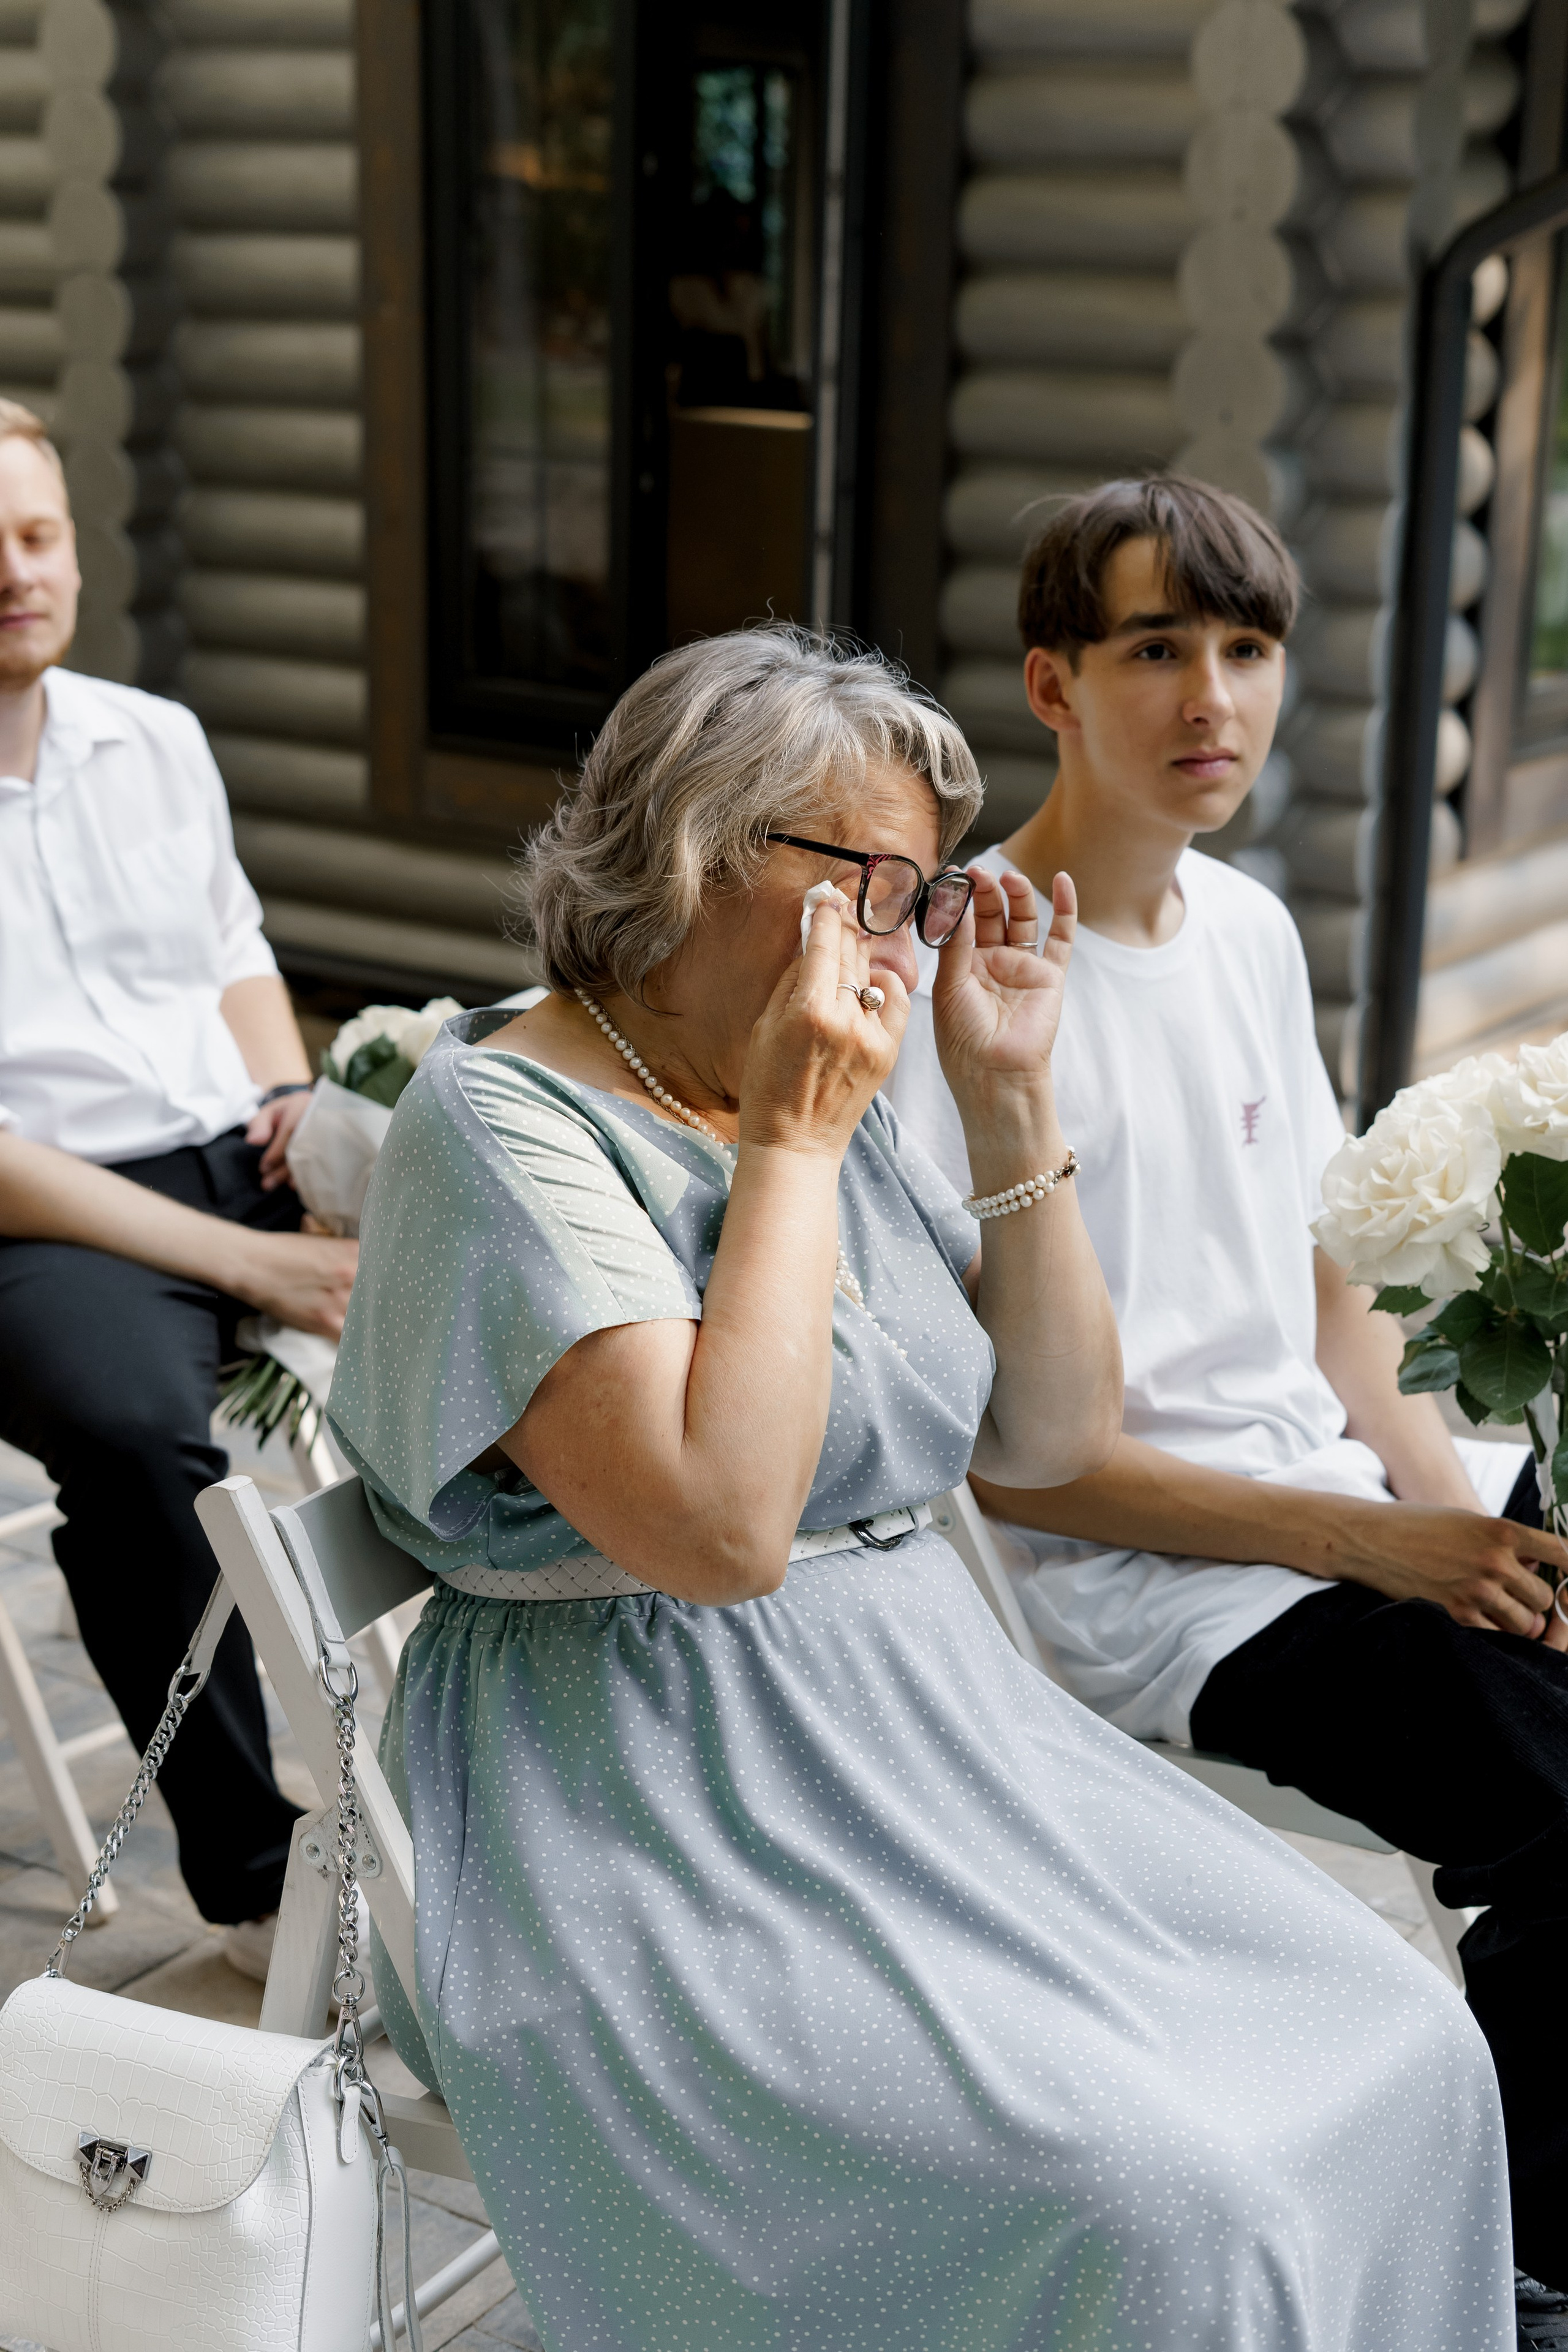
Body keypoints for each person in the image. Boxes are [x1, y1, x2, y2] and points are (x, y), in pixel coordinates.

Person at [331, 624, 1513, 2351]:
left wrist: (1010, 1098)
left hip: (943, 1736)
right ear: (703, 854)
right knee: (1171, 2198)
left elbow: (1036, 1437)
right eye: (879, 886)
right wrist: (799, 1146)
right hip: (665, 1805)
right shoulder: (504, 1126)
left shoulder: (804, 1071)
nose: (914, 932)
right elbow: (722, 1533)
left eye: (925, 887)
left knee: (1409, 2044)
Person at [886, 475, 1568, 2333]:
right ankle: (1516, 2257)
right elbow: (1022, 1479)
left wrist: (1485, 1531)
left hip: (1333, 1518)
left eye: (1248, 650)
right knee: (1551, 1790)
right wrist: (1389, 1545)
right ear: (1051, 680)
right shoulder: (973, 990)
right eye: (1155, 650)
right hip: (1142, 1595)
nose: (1213, 700)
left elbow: (1332, 1308)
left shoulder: (1252, 933)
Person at [0, 397, 356, 1967]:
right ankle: (257, 1880)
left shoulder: (158, 739)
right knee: (145, 1446)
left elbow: (232, 952)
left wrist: (294, 1098)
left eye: (37, 533)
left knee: (511, 1240)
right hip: (46, 1209)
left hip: (231, 1139)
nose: (18, 573)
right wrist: (257, 1269)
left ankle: (530, 1773)